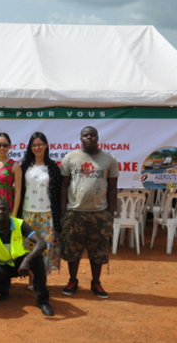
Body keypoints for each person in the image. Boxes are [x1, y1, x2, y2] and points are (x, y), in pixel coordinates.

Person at [60, 126, 118, 299]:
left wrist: (111, 213)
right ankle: (72, 280)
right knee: (73, 249)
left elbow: (113, 188)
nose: (89, 137)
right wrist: (63, 212)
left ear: (98, 138)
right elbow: (64, 185)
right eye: (86, 135)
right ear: (81, 138)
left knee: (98, 250)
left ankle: (96, 282)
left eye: (92, 135)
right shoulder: (70, 158)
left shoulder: (109, 159)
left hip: (100, 213)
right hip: (74, 212)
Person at [0, 199, 54, 316]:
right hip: (1, 265)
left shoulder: (20, 224)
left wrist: (27, 260)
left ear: (9, 211)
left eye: (4, 209)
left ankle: (43, 301)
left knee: (37, 260)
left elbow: (41, 243)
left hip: (19, 264)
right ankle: (3, 289)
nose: (1, 212)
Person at [19, 132, 62, 288]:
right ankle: (31, 279)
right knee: (29, 246)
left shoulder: (52, 168)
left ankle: (40, 280)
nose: (37, 148)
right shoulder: (24, 166)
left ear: (46, 146)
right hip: (27, 213)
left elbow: (57, 193)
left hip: (47, 213)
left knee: (44, 247)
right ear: (30, 147)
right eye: (34, 145)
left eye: (40, 144)